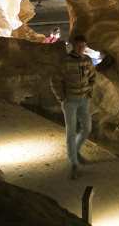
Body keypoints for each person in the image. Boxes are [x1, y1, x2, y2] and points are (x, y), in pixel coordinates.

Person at [50, 34, 96, 180]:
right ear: (73, 46)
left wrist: (89, 92)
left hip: (83, 100)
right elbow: (55, 80)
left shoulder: (87, 60)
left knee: (87, 128)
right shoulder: (65, 62)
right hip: (70, 101)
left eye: (83, 46)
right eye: (79, 46)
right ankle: (74, 163)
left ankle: (75, 151)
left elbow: (93, 77)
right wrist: (62, 98)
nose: (81, 48)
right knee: (71, 131)